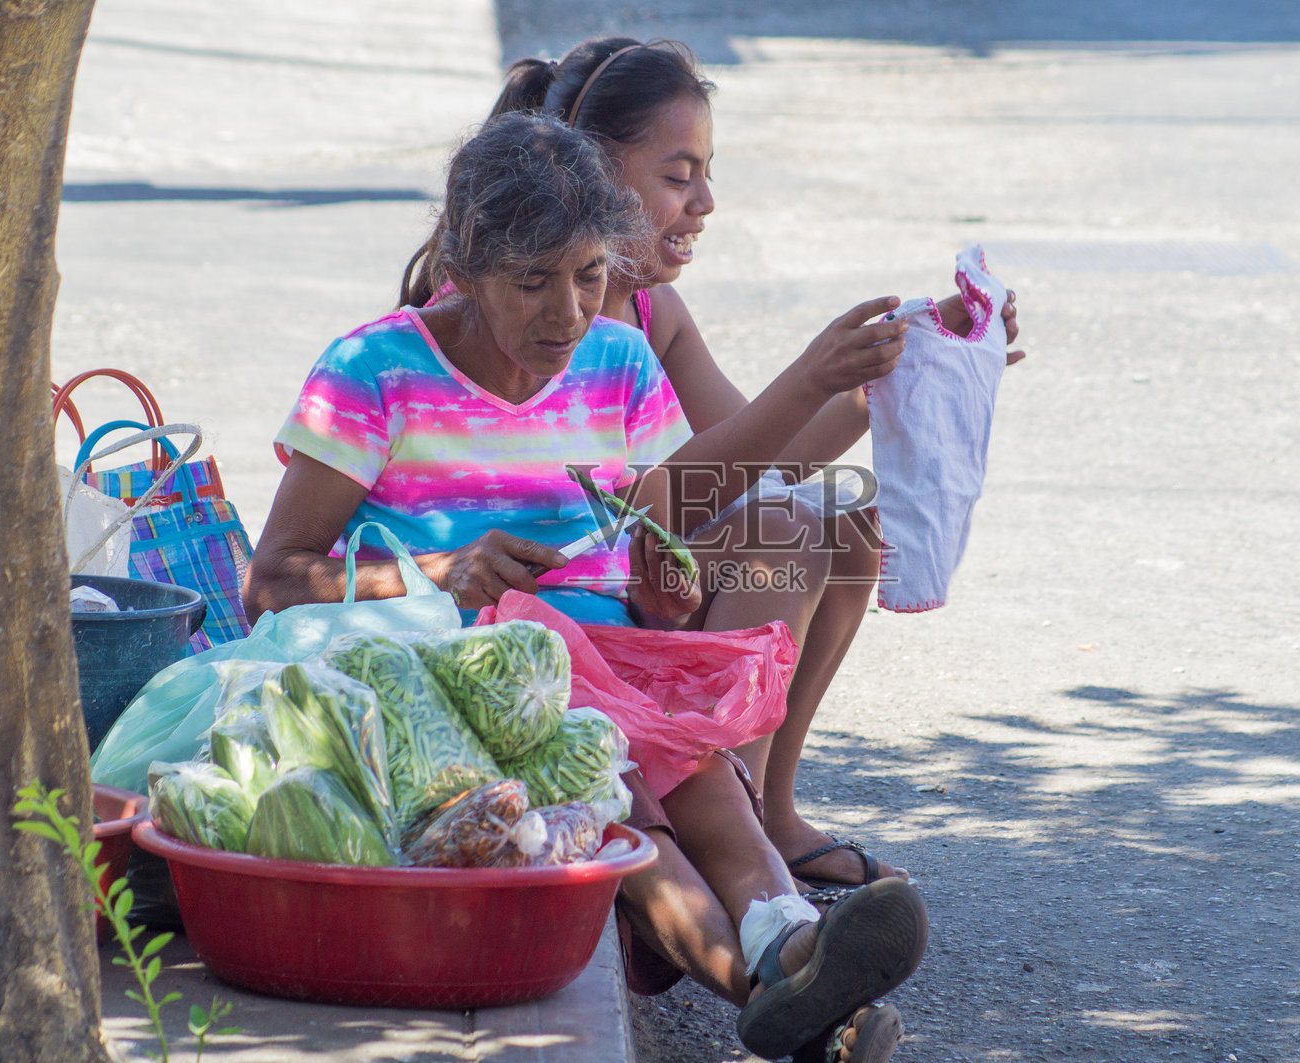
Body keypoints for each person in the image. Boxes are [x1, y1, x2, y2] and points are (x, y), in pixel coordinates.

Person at [245, 112, 925, 1063]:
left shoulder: (620, 363)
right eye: (533, 281)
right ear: (463, 267)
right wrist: (442, 572)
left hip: (611, 670)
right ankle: (779, 985)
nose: (567, 311)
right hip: (455, 689)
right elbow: (270, 583)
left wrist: (664, 592)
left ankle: (793, 949)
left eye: (590, 276)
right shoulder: (372, 372)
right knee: (612, 788)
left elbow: (655, 548)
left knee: (703, 777)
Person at [401, 37, 1024, 891]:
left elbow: (758, 461)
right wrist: (813, 375)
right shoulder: (520, 315)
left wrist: (898, 365)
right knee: (784, 532)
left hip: (634, 570)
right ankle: (729, 829)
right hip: (551, 599)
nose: (705, 203)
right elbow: (662, 502)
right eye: (677, 176)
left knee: (844, 517)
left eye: (706, 173)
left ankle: (766, 810)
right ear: (593, 174)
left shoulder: (650, 311)